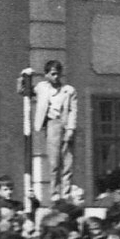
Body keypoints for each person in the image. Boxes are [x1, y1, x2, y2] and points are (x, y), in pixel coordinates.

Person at [32, 60, 78, 196]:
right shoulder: (41, 87)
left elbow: (73, 110)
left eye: (58, 74)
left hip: (65, 124)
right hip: (52, 125)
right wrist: (24, 76)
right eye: (53, 74)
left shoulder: (69, 90)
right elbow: (24, 90)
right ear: (46, 75)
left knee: (67, 161)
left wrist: (70, 129)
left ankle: (66, 192)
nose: (56, 77)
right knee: (54, 162)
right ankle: (55, 193)